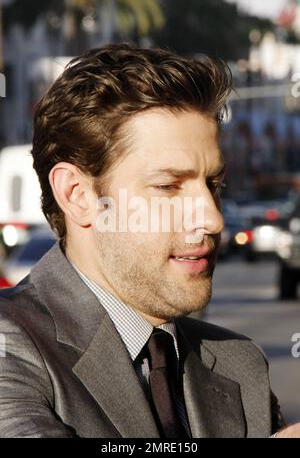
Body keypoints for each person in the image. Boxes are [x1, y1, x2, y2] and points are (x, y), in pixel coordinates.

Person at [0, 43, 291, 438]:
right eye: (169, 186)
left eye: (214, 184)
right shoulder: (10, 344)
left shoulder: (239, 364)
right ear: (77, 195)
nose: (212, 217)